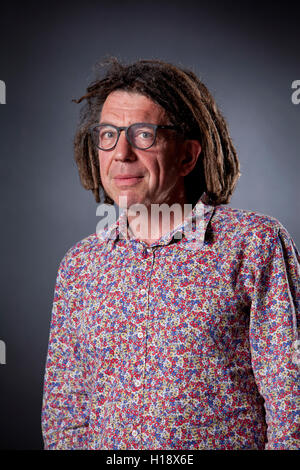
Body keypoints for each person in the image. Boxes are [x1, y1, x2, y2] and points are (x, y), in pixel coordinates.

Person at [41, 58, 299, 450]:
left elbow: (291, 401)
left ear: (187, 156)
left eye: (143, 135)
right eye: (108, 134)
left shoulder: (253, 245)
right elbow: (66, 415)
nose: (122, 153)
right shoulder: (81, 265)